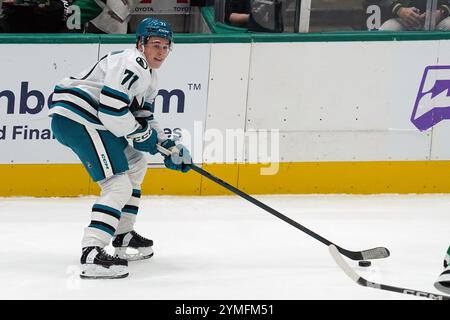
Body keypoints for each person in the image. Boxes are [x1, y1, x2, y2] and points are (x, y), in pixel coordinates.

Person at [48, 17, 192, 279]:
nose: (160, 52)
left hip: (91, 120)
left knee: (136, 163)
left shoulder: (150, 76)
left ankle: (123, 235)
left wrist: (168, 146)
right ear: (141, 44)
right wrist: (143, 135)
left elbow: (143, 118)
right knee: (118, 184)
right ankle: (91, 252)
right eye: (155, 45)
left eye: (165, 46)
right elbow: (113, 111)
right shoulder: (133, 63)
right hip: (78, 119)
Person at [379, 0, 450, 31]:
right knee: (387, 29)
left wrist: (442, 11)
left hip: (439, 19)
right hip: (403, 19)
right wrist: (399, 10)